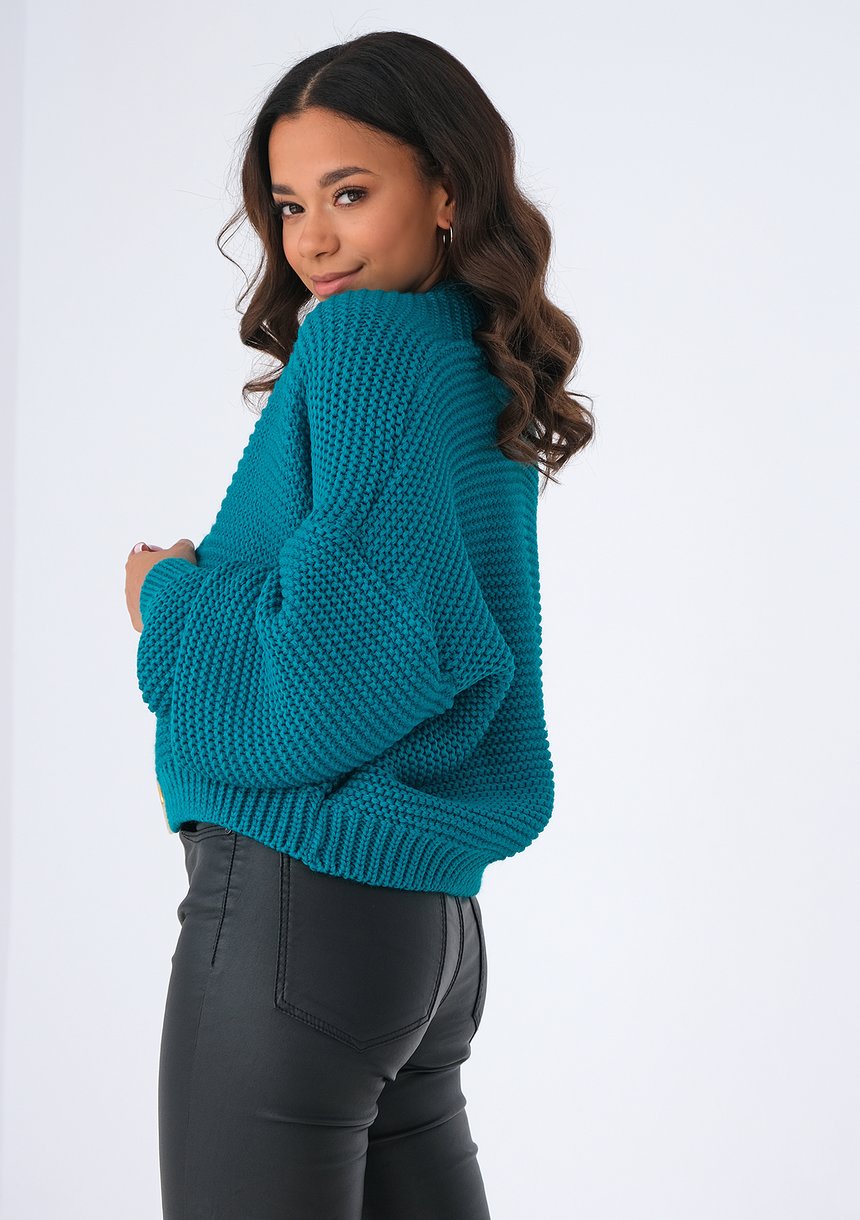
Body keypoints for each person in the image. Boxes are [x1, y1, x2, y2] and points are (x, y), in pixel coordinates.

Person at [124, 29, 593, 1220]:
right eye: (289, 205)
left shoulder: (361, 347)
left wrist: (163, 601)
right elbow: (411, 643)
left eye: (348, 193)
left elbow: (322, 687)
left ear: (446, 191)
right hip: (424, 935)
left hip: (297, 899)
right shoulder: (478, 364)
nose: (312, 241)